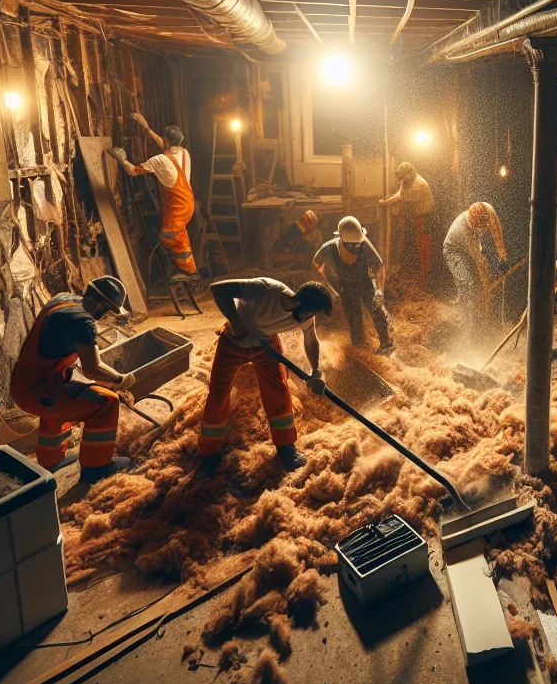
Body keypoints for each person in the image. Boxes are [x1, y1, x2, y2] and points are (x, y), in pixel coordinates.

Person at [197, 278, 333, 474]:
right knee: (218, 394)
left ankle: (286, 448)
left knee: (279, 390)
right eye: (310, 312)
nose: (310, 318)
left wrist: (316, 372)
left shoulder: (305, 316)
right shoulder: (264, 289)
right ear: (299, 302)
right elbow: (218, 289)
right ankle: (209, 452)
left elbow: (311, 338)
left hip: (266, 345)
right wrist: (236, 323)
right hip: (234, 342)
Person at [10, 276, 136, 484]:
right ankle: (96, 469)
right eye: (107, 310)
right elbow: (93, 369)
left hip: (26, 384)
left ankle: (51, 461)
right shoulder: (83, 321)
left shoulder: (62, 300)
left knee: (64, 398)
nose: (105, 315)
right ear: (102, 305)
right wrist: (120, 379)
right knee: (107, 402)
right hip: (39, 393)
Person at [111, 114, 198, 279]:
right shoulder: (183, 152)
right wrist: (147, 129)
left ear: (166, 140)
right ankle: (179, 268)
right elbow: (164, 147)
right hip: (188, 202)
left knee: (171, 234)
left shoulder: (160, 160)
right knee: (174, 235)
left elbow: (133, 171)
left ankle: (188, 271)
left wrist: (121, 159)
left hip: (176, 206)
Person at [313, 216, 393, 354]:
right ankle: (360, 347)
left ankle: (386, 345)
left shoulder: (364, 244)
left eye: (358, 244)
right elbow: (315, 264)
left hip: (365, 282)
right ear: (342, 240)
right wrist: (327, 287)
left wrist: (380, 290)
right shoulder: (329, 248)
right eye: (351, 245)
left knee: (376, 309)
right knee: (353, 318)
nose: (356, 247)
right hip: (346, 286)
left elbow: (379, 265)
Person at [443, 202, 508, 330]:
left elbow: (496, 232)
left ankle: (486, 317)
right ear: (473, 224)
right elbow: (480, 266)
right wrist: (485, 288)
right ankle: (469, 321)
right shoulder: (464, 231)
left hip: (471, 247)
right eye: (481, 228)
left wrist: (503, 256)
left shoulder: (488, 209)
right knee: (468, 282)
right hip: (453, 250)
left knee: (489, 275)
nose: (484, 230)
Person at [378, 162, 436, 283]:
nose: (401, 181)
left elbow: (401, 198)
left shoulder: (418, 185)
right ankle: (423, 276)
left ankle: (426, 279)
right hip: (419, 216)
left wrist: (385, 203)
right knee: (420, 245)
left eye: (403, 178)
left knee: (424, 247)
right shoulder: (408, 180)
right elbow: (400, 193)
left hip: (426, 218)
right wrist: (389, 200)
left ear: (409, 174)